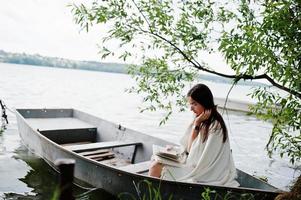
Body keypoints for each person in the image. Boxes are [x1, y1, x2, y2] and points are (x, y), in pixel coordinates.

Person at [148, 83, 239, 187]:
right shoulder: (201, 119)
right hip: (195, 164)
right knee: (156, 159)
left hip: (206, 173)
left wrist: (197, 123)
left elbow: (196, 156)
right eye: (190, 104)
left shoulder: (215, 125)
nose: (191, 108)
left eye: (194, 104)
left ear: (204, 102)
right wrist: (196, 124)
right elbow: (190, 149)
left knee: (156, 167)